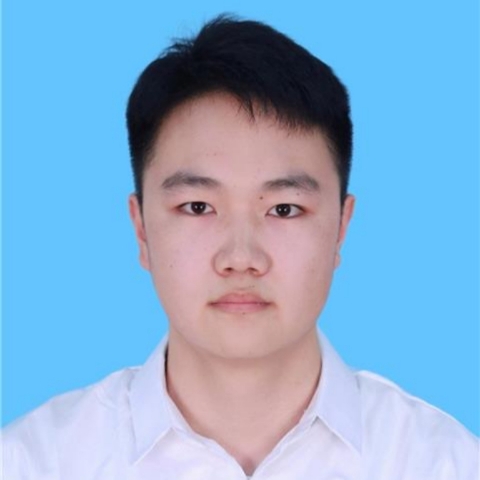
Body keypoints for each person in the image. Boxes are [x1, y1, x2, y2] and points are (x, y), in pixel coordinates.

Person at [3, 14, 478, 480]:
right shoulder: (34, 463)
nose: (241, 258)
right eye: (197, 207)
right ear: (141, 228)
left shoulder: (443, 463)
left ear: (341, 228)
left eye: (284, 209)